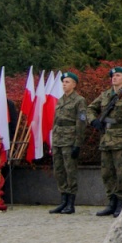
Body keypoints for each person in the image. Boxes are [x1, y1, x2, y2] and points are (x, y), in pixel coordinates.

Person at [87, 66, 122, 218]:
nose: (114, 78)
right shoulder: (105, 95)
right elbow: (90, 109)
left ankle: (121, 202)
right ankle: (111, 202)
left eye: (118, 75)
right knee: (106, 173)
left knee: (121, 174)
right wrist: (93, 121)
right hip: (106, 140)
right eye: (113, 76)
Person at [48, 72, 87, 215]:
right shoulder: (60, 100)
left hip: (69, 140)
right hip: (58, 139)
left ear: (74, 84)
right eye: (63, 82)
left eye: (67, 81)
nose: (64, 84)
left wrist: (77, 143)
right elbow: (55, 121)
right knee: (59, 170)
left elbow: (81, 122)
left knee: (70, 171)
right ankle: (63, 200)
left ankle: (71, 202)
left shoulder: (79, 100)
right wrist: (53, 140)